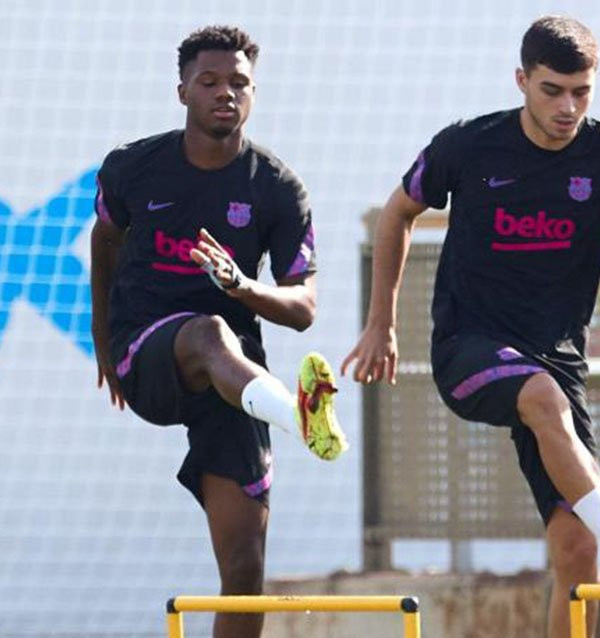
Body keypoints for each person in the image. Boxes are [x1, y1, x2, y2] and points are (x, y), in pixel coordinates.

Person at [342, 15, 600, 638]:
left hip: (557, 362)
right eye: (553, 90)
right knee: (543, 400)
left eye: (582, 92)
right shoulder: (470, 145)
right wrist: (381, 322)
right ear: (521, 80)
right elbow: (397, 213)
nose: (568, 107)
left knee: (576, 554)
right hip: (468, 350)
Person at [90, 25, 348, 638]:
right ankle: (299, 416)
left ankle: (289, 412)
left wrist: (244, 288)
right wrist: (103, 338)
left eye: (239, 83)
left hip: (235, 380)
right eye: (209, 82)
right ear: (182, 90)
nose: (225, 93)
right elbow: (105, 241)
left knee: (244, 569)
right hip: (147, 349)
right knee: (204, 332)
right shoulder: (132, 167)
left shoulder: (277, 188)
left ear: (254, 93)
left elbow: (304, 306)